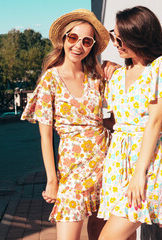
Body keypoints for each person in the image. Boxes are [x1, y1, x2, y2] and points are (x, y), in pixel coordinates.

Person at [21, 9, 111, 240]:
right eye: (73, 38)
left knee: (100, 232)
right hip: (72, 170)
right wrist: (52, 180)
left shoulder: (96, 76)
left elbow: (106, 119)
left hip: (106, 162)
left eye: (86, 41)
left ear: (92, 46)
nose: (78, 45)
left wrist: (118, 71)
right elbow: (45, 136)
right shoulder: (50, 80)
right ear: (63, 38)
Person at [97, 6, 162, 240]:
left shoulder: (160, 67)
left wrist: (139, 173)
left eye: (121, 38)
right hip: (117, 160)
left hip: (146, 161)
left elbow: (154, 122)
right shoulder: (121, 74)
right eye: (114, 35)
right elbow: (114, 120)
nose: (116, 43)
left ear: (139, 36)